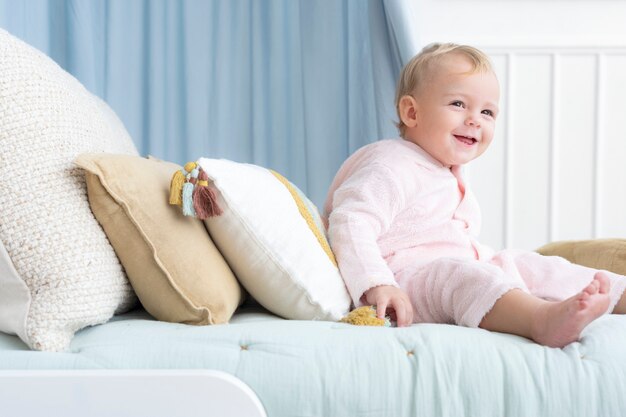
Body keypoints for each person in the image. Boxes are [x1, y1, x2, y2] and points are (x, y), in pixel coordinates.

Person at [323, 43, 626, 348]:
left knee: (531, 264)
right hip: (406, 282)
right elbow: (350, 221)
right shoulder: (390, 164)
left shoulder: (445, 169)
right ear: (412, 112)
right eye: (458, 104)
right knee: (464, 275)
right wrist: (377, 283)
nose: (475, 119)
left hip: (458, 268)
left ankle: (619, 293)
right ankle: (541, 320)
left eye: (487, 112)